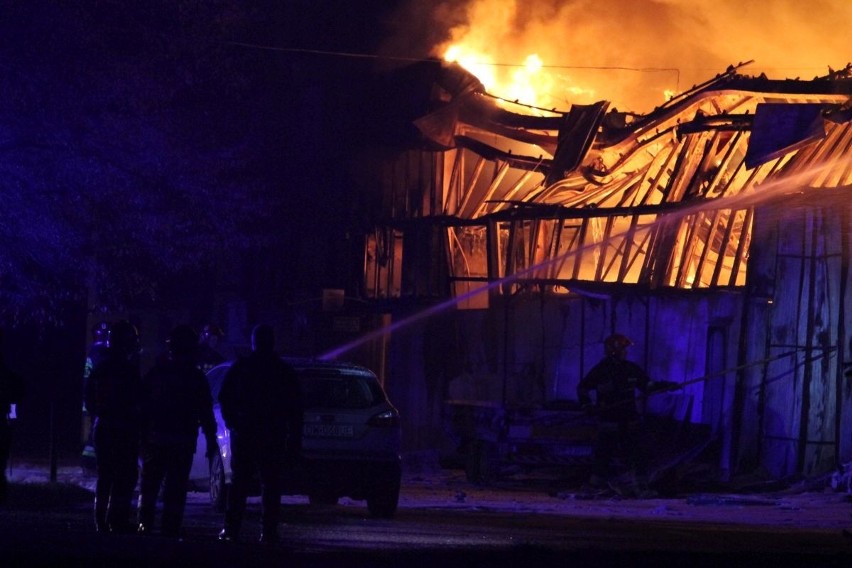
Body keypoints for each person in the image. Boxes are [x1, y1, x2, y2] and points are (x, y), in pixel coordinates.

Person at [217, 324, 301, 544]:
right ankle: (268, 531)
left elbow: (225, 397)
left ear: (253, 342)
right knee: (270, 484)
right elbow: (296, 408)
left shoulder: (242, 368)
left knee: (239, 483)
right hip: (272, 434)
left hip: (246, 433)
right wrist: (293, 438)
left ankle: (232, 529)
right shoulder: (282, 371)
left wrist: (233, 422)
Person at [137, 325, 218, 537]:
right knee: (175, 487)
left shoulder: (157, 374)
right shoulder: (195, 377)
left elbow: (142, 407)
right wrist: (211, 440)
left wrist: (141, 437)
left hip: (156, 439)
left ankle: (144, 523)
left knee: (150, 484)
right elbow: (205, 411)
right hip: (181, 441)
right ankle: (170, 527)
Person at [84, 320, 142, 533]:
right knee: (124, 476)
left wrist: (97, 415)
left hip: (104, 426)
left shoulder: (101, 368)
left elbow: (89, 396)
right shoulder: (128, 370)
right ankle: (117, 520)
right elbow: (138, 401)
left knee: (106, 475)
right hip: (123, 429)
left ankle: (100, 521)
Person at [577, 333, 652, 496]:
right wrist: (587, 405)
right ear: (614, 350)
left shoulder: (631, 369)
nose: (626, 352)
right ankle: (596, 486)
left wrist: (665, 386)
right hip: (609, 422)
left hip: (630, 420)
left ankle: (640, 487)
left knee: (636, 454)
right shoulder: (601, 370)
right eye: (623, 349)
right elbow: (583, 388)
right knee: (603, 455)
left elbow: (647, 385)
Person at [81, 321, 110, 470]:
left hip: (94, 400)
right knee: (98, 431)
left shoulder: (93, 350)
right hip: (100, 401)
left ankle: (89, 462)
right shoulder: (101, 352)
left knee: (95, 430)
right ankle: (91, 463)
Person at [0, 329, 24, 505]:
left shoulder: (8, 378)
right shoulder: (9, 377)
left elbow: (14, 401)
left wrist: (12, 417)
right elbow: (14, 401)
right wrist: (12, 418)